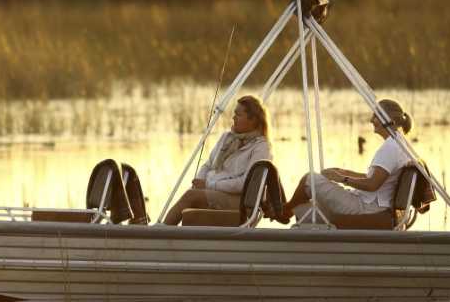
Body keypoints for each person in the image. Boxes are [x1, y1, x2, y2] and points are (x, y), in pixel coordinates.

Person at [279, 99, 412, 224]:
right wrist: (345, 172)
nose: (371, 120)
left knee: (310, 180)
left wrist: (342, 178)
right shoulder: (399, 143)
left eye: (375, 116)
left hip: (367, 207)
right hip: (370, 203)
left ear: (389, 120)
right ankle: (286, 212)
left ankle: (284, 212)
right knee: (304, 210)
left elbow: (372, 184)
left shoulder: (390, 147)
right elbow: (374, 178)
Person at [162, 95, 272, 225]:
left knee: (190, 196)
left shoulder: (261, 147)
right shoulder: (227, 138)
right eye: (234, 114)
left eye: (238, 115)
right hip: (218, 192)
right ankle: (171, 237)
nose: (233, 118)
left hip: (239, 200)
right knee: (192, 201)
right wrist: (201, 182)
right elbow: (208, 165)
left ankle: (159, 233)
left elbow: (244, 184)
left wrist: (209, 184)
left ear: (252, 120)